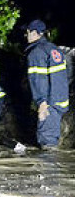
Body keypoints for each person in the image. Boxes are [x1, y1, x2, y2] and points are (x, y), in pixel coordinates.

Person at [24, 19, 69, 148]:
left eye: (28, 32)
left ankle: (48, 167)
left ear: (35, 33)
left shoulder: (36, 52)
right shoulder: (55, 50)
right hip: (60, 101)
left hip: (48, 102)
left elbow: (38, 79)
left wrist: (41, 103)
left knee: (47, 143)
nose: (26, 35)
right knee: (52, 137)